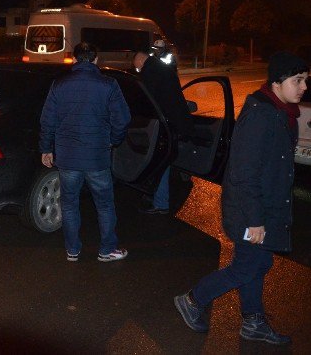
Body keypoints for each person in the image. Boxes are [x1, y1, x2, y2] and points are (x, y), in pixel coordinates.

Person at [174, 52, 308, 346]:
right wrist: (256, 221)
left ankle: (253, 321)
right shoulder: (261, 116)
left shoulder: (280, 112)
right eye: (298, 80)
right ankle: (193, 300)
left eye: (305, 80)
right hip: (251, 212)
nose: (303, 87)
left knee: (258, 264)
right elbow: (244, 174)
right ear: (277, 81)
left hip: (264, 208)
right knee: (247, 266)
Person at [39, 42, 131, 262]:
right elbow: (123, 119)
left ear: (74, 60)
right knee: (105, 204)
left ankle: (72, 250)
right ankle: (107, 249)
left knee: (69, 204)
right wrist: (112, 140)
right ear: (96, 59)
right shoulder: (108, 84)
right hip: (97, 157)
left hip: (67, 157)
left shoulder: (59, 85)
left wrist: (46, 148)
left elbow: (47, 120)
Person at [132, 40, 194, 214]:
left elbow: (147, 101)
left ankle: (161, 202)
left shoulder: (149, 73)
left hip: (166, 124)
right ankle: (157, 196)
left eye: (137, 67)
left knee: (160, 161)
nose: (137, 70)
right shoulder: (162, 68)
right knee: (164, 159)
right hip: (176, 121)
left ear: (140, 62)